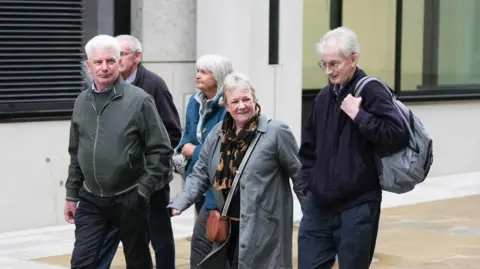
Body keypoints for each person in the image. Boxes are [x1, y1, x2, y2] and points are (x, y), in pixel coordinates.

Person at [168, 72, 308, 269]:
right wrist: (180, 202)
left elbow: (299, 175)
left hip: (264, 231)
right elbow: (200, 173)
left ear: (254, 100)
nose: (241, 106)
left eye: (246, 99)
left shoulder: (276, 132)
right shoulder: (218, 133)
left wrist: (311, 213)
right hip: (227, 229)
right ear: (226, 105)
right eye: (235, 101)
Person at [297, 26, 410, 269]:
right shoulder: (324, 97)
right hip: (318, 206)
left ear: (354, 59)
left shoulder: (372, 90)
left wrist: (358, 116)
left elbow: (397, 135)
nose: (328, 71)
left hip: (357, 207)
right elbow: (308, 149)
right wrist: (308, 188)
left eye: (334, 64)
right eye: (324, 64)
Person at [64, 34, 173, 269]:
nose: (104, 67)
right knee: (82, 261)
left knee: (138, 261)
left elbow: (161, 150)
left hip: (129, 196)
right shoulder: (81, 102)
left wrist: (143, 191)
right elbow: (76, 151)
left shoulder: (140, 100)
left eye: (110, 61)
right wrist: (72, 194)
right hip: (92, 198)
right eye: (98, 62)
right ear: (88, 66)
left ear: (119, 62)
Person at [96, 34, 181, 269]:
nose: (117, 60)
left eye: (122, 54)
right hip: (118, 181)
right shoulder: (107, 85)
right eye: (115, 54)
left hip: (152, 178)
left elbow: (173, 132)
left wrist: (145, 164)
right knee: (127, 237)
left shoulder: (154, 85)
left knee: (160, 235)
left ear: (137, 57)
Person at [175, 54, 233, 215]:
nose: (198, 76)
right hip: (197, 178)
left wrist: (195, 151)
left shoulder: (229, 106)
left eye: (205, 72)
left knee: (213, 233)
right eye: (198, 71)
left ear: (219, 75)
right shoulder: (194, 102)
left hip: (220, 183)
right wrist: (182, 149)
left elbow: (228, 148)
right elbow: (187, 135)